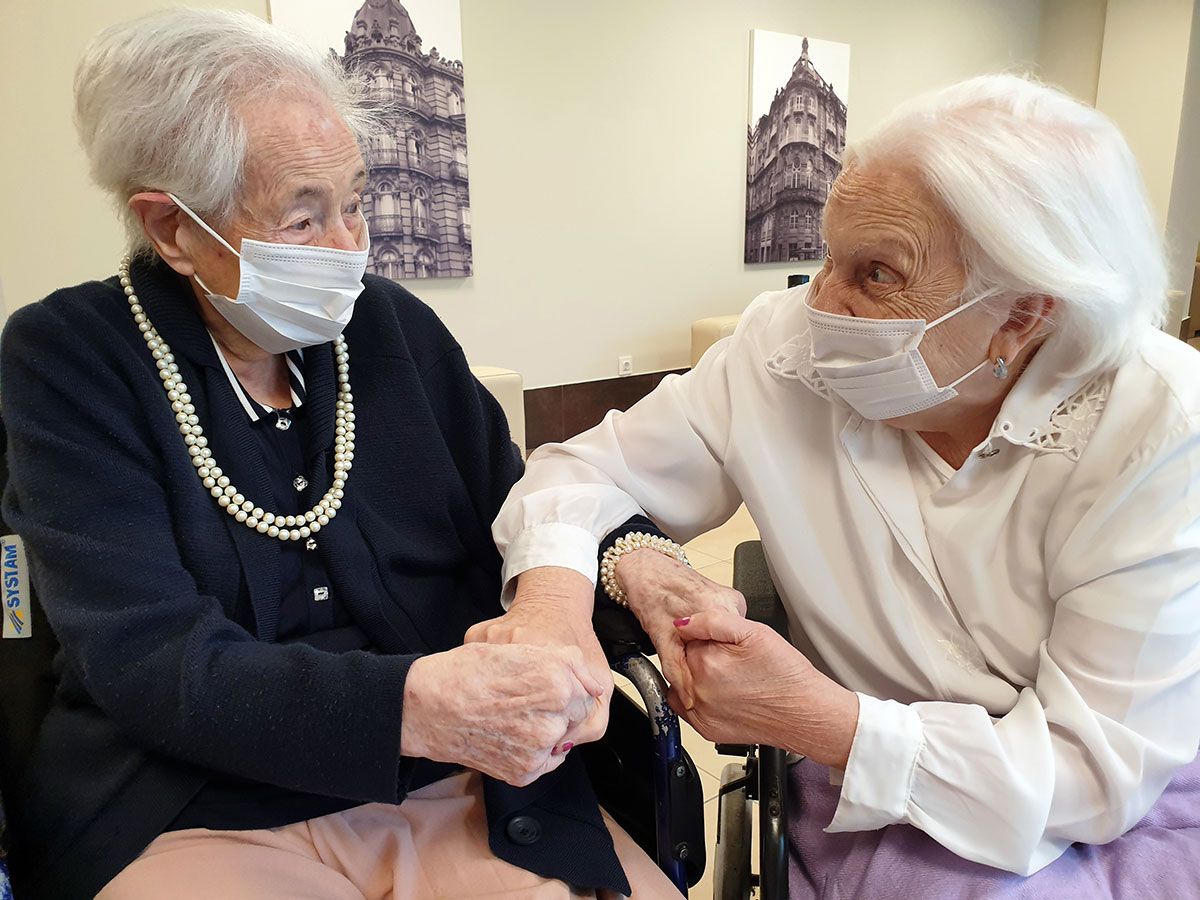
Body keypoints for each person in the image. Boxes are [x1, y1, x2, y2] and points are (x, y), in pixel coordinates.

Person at [1, 10, 678, 899]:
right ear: (171, 228)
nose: (351, 247)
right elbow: (143, 656)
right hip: (192, 801)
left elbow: (527, 505)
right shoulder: (69, 357)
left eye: (355, 201)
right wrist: (421, 708)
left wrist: (636, 565)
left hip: (464, 784)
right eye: (303, 217)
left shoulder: (391, 327)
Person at [491, 74, 1200, 896]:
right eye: (828, 254)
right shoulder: (781, 347)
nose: (821, 304)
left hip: (1117, 794)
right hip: (866, 794)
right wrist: (600, 583)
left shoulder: (1159, 427)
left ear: (1022, 314)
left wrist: (820, 719)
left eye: (877, 275)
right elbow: (574, 471)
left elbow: (1092, 775)